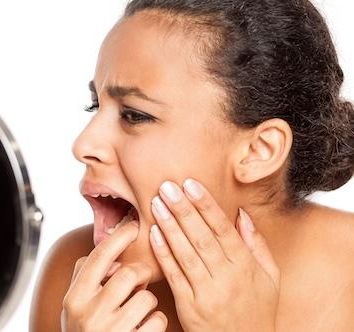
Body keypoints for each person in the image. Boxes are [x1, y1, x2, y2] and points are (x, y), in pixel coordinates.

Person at [30, 0, 354, 331]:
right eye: (95, 105)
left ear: (259, 150)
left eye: (135, 115)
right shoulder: (71, 278)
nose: (83, 146)